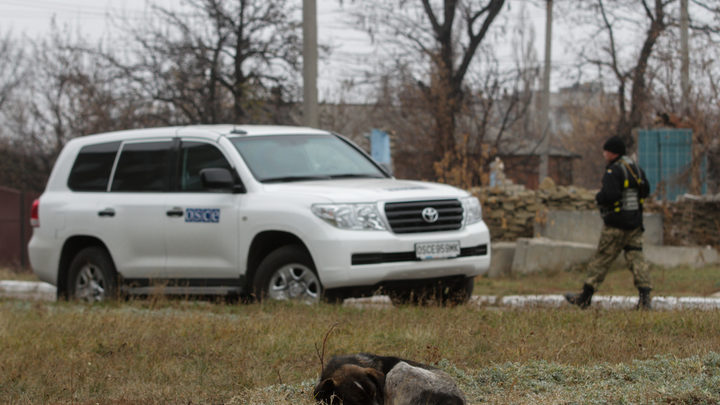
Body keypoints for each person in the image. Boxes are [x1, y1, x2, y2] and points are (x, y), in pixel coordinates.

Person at [565, 136, 652, 310]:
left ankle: (585, 297)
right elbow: (646, 190)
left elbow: (609, 195)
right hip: (634, 223)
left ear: (613, 152)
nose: (604, 154)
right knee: (637, 260)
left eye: (606, 151)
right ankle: (645, 300)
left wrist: (599, 197)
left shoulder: (614, 170)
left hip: (615, 225)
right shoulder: (635, 168)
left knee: (601, 260)